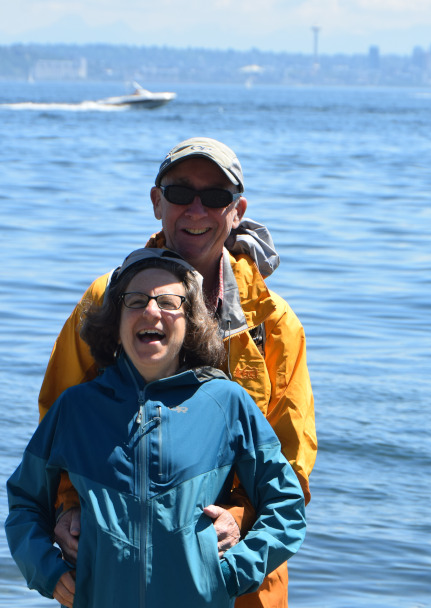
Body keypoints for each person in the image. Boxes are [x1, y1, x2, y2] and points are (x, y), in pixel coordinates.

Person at [37, 137, 316, 608]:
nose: (196, 210)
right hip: (117, 571)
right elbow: (58, 427)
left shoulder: (274, 324)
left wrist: (237, 518)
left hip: (235, 575)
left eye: (215, 197)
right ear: (156, 201)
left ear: (237, 209)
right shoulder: (105, 301)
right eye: (180, 192)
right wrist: (68, 507)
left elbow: (291, 462)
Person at [6, 248, 306, 608]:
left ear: (191, 321)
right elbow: (25, 502)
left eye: (168, 301)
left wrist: (231, 573)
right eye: (135, 301)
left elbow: (286, 505)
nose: (151, 311)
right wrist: (48, 571)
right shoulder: (76, 408)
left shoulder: (226, 402)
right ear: (115, 321)